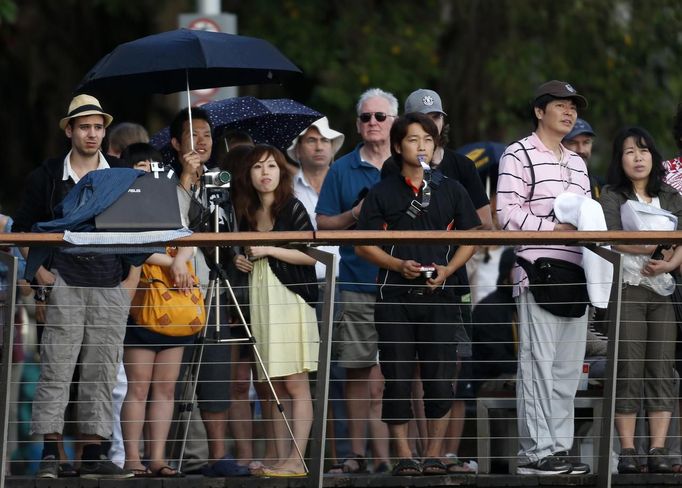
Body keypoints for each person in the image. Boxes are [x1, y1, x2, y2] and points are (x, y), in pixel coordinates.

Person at [12, 94, 138, 479]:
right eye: (85, 126)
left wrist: (127, 282)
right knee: (57, 368)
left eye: (99, 127)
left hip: (107, 282)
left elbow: (140, 232)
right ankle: (52, 453)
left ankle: (94, 453)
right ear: (69, 130)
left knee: (102, 371)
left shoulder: (121, 173)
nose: (93, 133)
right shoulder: (47, 176)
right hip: (63, 279)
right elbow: (21, 230)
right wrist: (43, 277)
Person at [356, 112, 480, 475]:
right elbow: (364, 245)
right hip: (394, 296)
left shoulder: (451, 188)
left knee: (441, 379)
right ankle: (405, 456)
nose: (422, 145)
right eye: (413, 139)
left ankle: (433, 455)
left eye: (428, 139)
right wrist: (398, 266)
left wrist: (449, 270)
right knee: (397, 378)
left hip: (440, 295)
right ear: (397, 146)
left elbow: (471, 236)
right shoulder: (383, 191)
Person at [496, 80, 592, 475]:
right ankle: (537, 453)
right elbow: (506, 214)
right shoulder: (516, 154)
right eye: (560, 106)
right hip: (538, 271)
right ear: (539, 111)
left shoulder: (579, 162)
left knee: (568, 372)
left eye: (573, 107)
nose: (569, 113)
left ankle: (559, 450)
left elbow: (587, 219)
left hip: (579, 273)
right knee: (539, 366)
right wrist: (554, 230)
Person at [316, 88, 395, 473]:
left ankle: (405, 457)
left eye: (380, 117)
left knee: (405, 373)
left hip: (404, 283)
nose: (373, 124)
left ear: (395, 121)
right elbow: (324, 225)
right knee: (358, 371)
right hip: (357, 282)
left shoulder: (410, 162)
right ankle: (355, 453)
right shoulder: (343, 167)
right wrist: (357, 212)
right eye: (365, 117)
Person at [232, 145, 320, 477]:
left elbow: (311, 255)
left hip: (291, 300)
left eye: (271, 166)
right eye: (258, 167)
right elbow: (245, 254)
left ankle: (297, 460)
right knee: (274, 385)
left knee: (295, 384)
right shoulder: (246, 211)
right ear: (248, 175)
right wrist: (240, 258)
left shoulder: (292, 207)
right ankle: (281, 459)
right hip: (261, 298)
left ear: (282, 171)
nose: (265, 172)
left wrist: (268, 248)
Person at [599, 126, 682, 474]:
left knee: (662, 366)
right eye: (630, 151)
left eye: (644, 150)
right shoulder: (611, 194)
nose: (638, 157)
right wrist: (652, 247)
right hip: (628, 287)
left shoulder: (670, 194)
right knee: (628, 366)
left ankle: (659, 450)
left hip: (663, 288)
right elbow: (613, 239)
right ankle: (629, 451)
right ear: (620, 158)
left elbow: (681, 242)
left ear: (654, 156)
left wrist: (670, 262)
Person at [166, 107, 235, 476]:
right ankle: (182, 457)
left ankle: (218, 456)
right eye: (192, 134)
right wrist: (186, 181)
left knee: (216, 372)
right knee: (177, 375)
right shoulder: (166, 180)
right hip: (174, 287)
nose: (202, 140)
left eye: (207, 133)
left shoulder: (223, 179)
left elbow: (229, 226)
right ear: (176, 143)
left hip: (216, 284)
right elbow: (174, 226)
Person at [119, 148, 195, 478]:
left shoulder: (170, 196)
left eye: (152, 168)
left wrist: (182, 257)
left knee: (166, 387)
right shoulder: (120, 198)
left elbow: (191, 234)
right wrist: (174, 260)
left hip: (175, 300)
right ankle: (132, 459)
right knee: (138, 386)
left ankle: (158, 459)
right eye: (140, 168)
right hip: (141, 300)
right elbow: (130, 244)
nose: (148, 174)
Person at [562, 118, 602, 199]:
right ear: (561, 145)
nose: (581, 150)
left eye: (586, 142)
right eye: (573, 143)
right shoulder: (552, 180)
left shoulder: (598, 184)